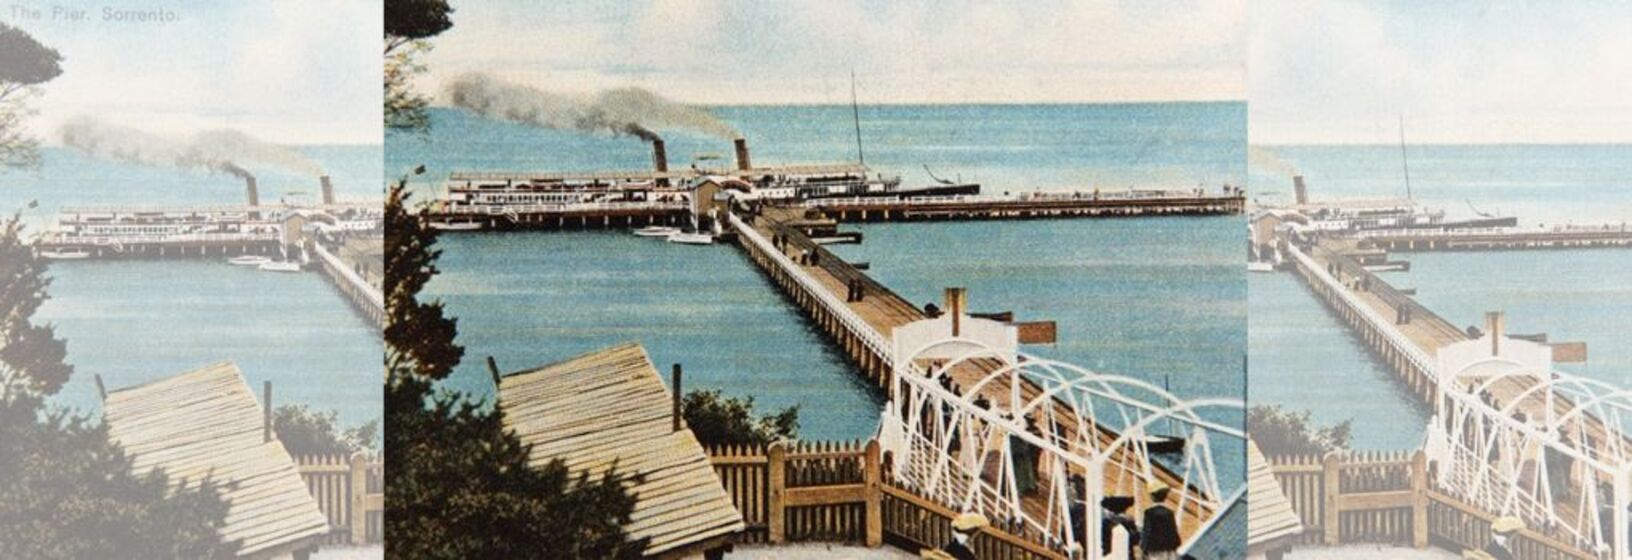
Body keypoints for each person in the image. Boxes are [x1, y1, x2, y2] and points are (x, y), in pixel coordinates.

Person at [1142, 482, 1182, 560]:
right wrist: (1175, 544)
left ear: (1152, 496)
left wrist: (1144, 547)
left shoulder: (1149, 512)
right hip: (1168, 549)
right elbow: (1173, 530)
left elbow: (1147, 531)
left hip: (1154, 550)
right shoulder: (1169, 512)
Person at [1101, 496, 1140, 560]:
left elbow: (1104, 540)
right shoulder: (1129, 522)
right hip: (1127, 554)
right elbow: (1136, 539)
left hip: (1110, 554)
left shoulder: (1106, 522)